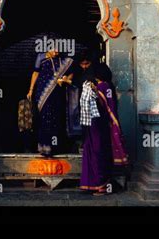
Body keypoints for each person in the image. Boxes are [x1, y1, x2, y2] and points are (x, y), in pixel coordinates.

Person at [80, 63, 129, 195]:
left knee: (97, 153)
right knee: (97, 152)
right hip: (99, 125)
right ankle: (96, 185)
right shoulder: (108, 86)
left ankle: (101, 185)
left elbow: (102, 106)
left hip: (97, 125)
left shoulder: (101, 87)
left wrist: (94, 92)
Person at [27, 50, 73, 156]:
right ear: (48, 49)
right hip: (42, 93)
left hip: (56, 93)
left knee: (54, 118)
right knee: (42, 118)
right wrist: (31, 90)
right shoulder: (41, 58)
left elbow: (71, 72)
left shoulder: (63, 60)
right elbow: (35, 73)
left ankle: (53, 147)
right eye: (54, 49)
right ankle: (42, 146)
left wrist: (66, 79)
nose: (56, 52)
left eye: (58, 50)